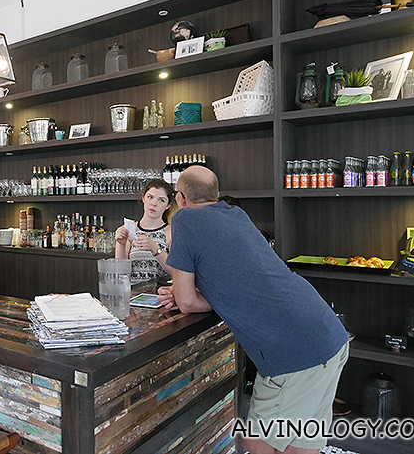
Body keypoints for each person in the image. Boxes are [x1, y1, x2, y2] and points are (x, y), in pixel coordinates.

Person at [157, 165, 348, 454]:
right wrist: (193, 292)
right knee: (300, 443)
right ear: (216, 195)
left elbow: (186, 303)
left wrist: (183, 292)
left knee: (256, 442)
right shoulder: (237, 214)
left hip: (295, 356)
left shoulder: (185, 219)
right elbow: (237, 284)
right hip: (329, 334)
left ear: (180, 198)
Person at [114, 178, 175, 284]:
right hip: (132, 294)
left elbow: (176, 271)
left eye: (161, 200)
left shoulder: (172, 232)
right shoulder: (128, 229)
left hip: (160, 295)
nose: (154, 203)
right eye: (150, 197)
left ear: (168, 205)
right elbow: (120, 273)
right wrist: (121, 244)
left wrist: (155, 248)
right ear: (143, 198)